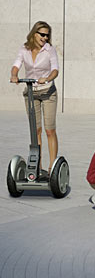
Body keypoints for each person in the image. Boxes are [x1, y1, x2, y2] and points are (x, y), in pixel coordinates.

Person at [10, 21, 59, 175]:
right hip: (31, 92)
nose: (45, 38)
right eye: (42, 34)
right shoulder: (24, 49)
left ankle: (52, 167)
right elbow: (17, 63)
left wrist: (48, 78)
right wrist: (14, 75)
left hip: (47, 92)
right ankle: (37, 166)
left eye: (47, 35)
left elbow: (55, 69)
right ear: (34, 34)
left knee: (49, 130)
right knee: (35, 131)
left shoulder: (49, 50)